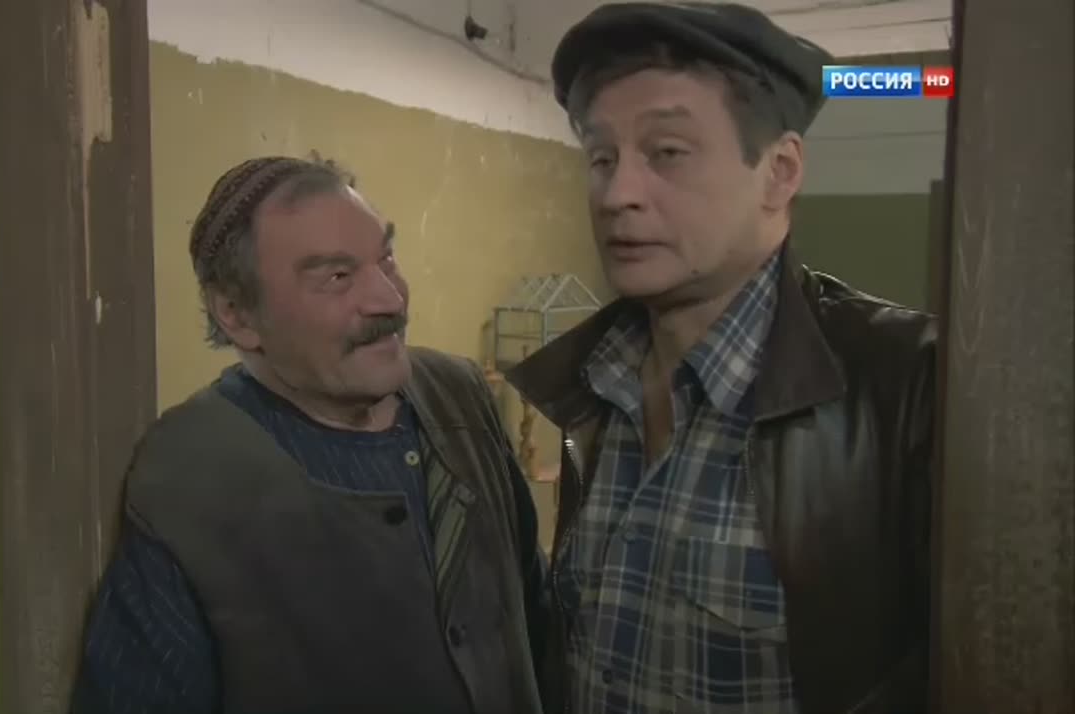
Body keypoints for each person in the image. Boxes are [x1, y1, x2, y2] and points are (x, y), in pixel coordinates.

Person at [505, 4, 937, 714]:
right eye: (601, 158)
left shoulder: (915, 387)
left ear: (779, 172)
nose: (617, 195)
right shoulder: (592, 383)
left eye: (668, 153)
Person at [71, 156, 548, 714]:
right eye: (337, 277)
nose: (390, 300)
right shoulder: (189, 476)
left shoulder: (460, 395)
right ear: (237, 314)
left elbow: (536, 614)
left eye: (386, 258)